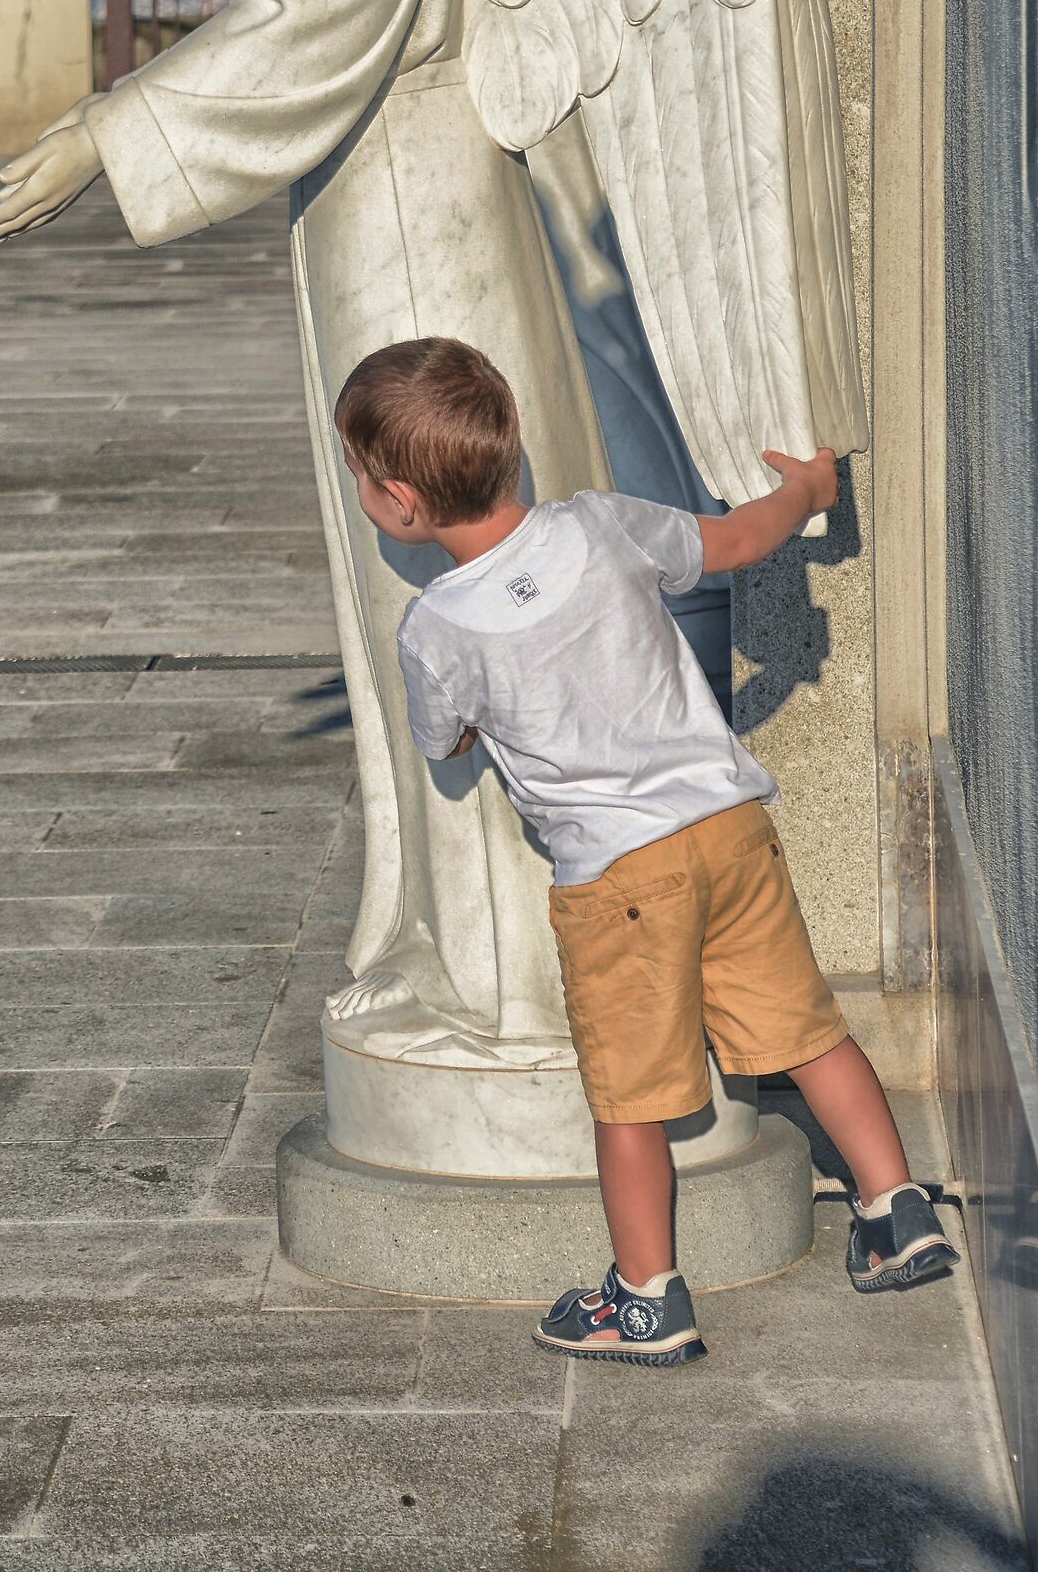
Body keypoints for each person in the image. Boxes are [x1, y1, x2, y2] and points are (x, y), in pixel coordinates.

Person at [334, 335, 959, 1370]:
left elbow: (442, 741)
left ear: (398, 501)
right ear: (508, 445)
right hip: (731, 830)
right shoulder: (600, 524)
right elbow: (736, 540)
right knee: (807, 1032)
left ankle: (644, 1299)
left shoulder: (437, 627)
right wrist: (805, 489)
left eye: (360, 476)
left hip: (620, 877)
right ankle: (897, 1212)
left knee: (630, 1098)